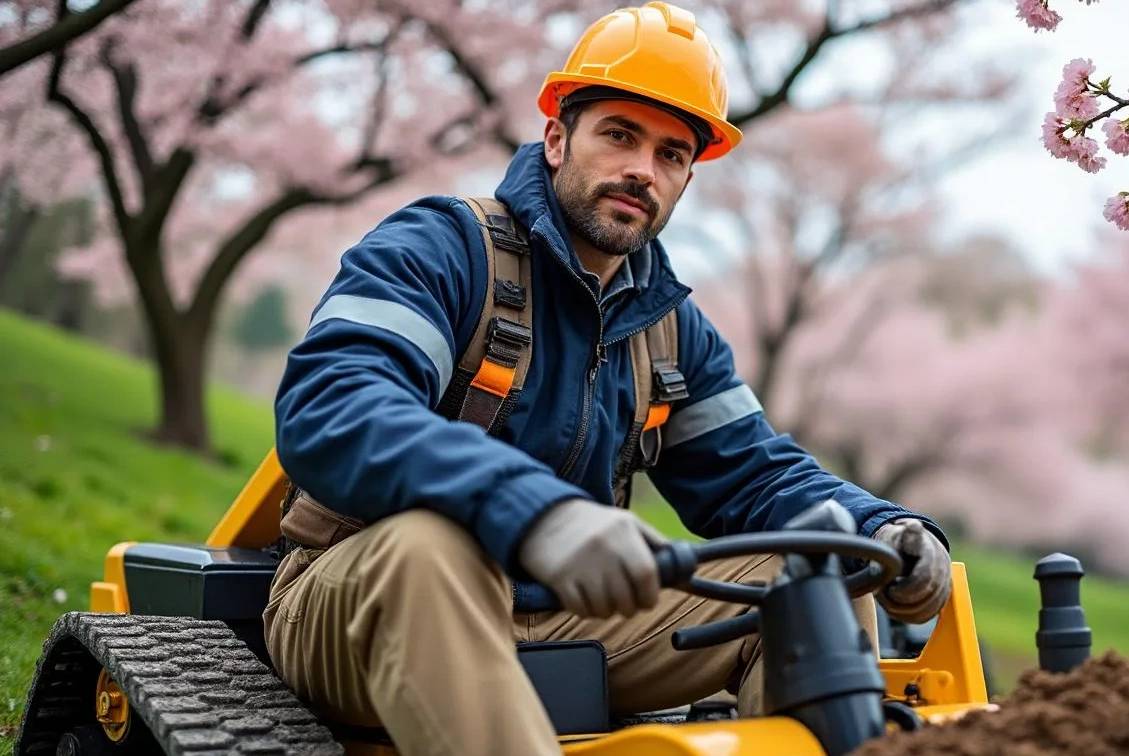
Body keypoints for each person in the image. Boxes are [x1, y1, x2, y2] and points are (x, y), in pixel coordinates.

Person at [262, 2, 953, 754]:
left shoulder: (671, 329)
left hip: (562, 618)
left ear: (687, 179)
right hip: (360, 596)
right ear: (557, 139)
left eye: (670, 155)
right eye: (620, 135)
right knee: (432, 548)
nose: (641, 170)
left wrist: (880, 526)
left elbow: (753, 474)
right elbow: (333, 405)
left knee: (813, 569)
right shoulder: (442, 247)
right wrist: (536, 513)